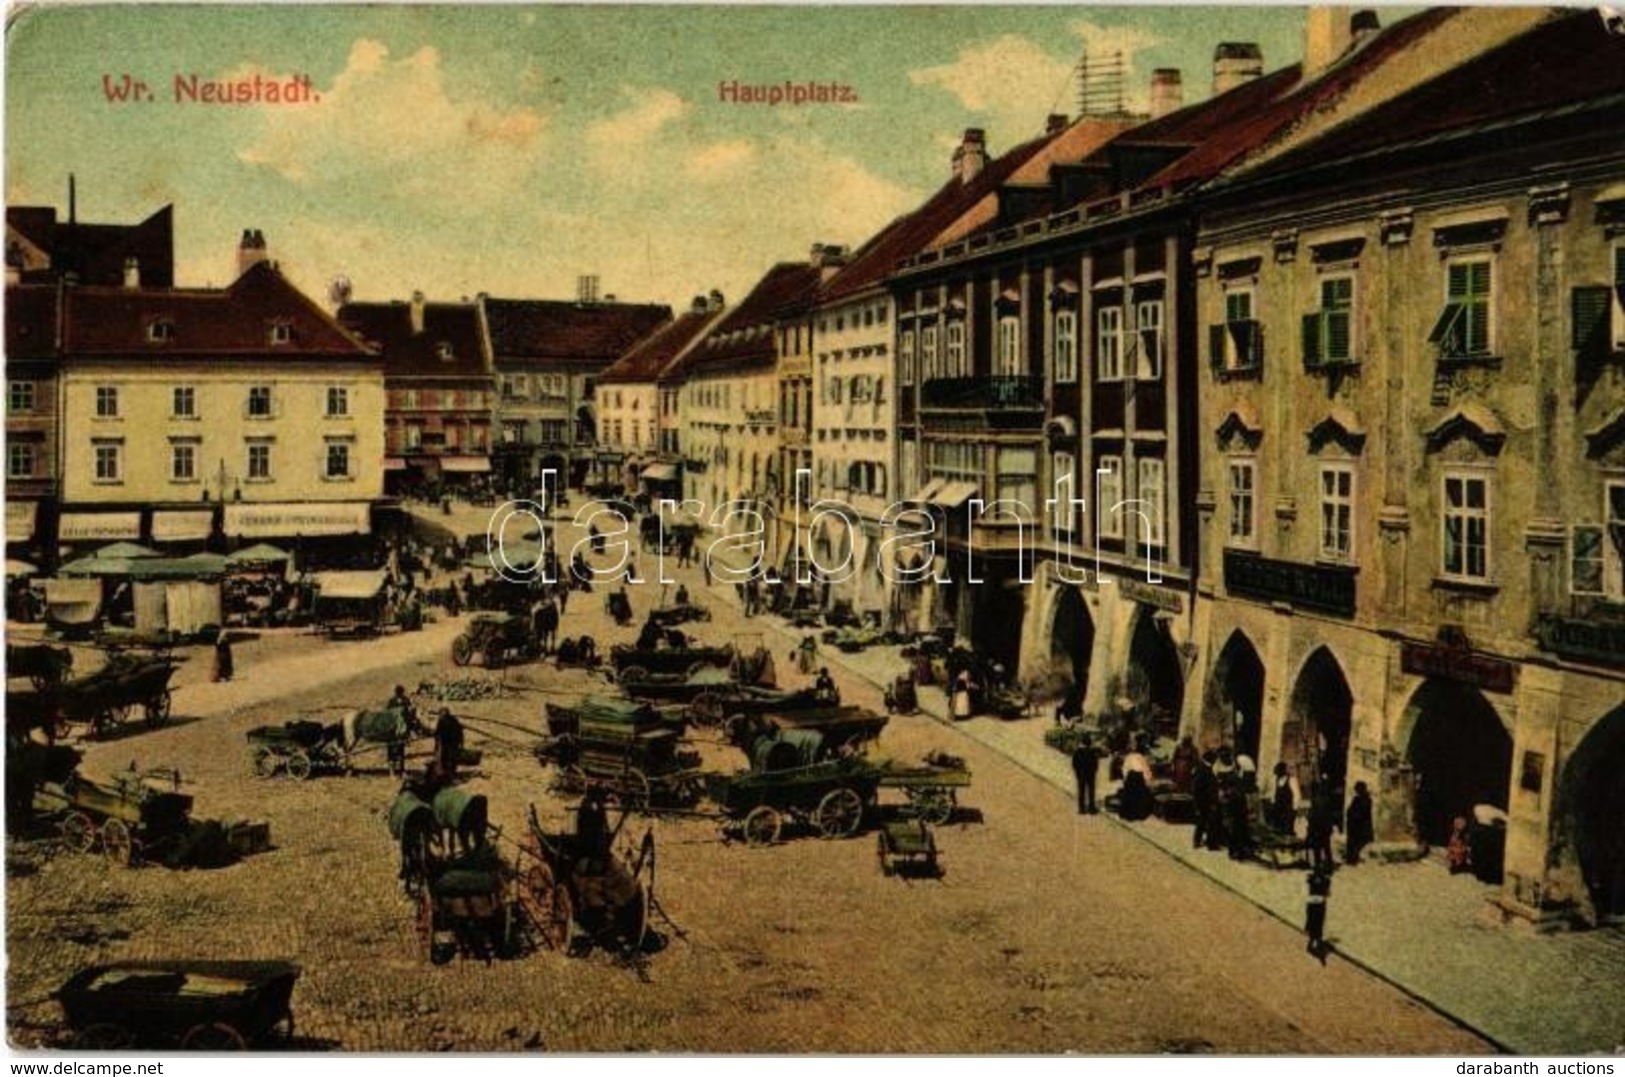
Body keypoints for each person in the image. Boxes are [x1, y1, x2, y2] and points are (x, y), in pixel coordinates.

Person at [1306, 781, 1339, 872]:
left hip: (1318, 826)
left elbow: (1314, 815)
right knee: (1326, 845)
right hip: (1325, 827)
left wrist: (1310, 823)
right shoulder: (1325, 799)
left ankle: (1319, 864)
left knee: (1317, 847)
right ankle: (1329, 863)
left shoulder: (1316, 800)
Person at [1305, 868, 1332, 964]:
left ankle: (1313, 942)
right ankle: (1318, 943)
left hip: (1311, 902)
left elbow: (1308, 881)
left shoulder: (1311, 878)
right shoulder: (1326, 880)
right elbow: (1328, 893)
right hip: (1320, 903)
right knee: (1319, 923)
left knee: (1312, 922)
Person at [1344, 781, 1374, 866]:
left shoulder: (1362, 799)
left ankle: (1353, 858)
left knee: (1356, 842)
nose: (1356, 790)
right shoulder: (1363, 799)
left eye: (1357, 789)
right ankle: (1353, 858)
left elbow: (1358, 812)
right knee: (1356, 843)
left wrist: (1352, 816)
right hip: (1357, 825)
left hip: (1358, 825)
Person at [1071, 734, 1101, 815]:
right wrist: (1094, 772)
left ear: (1082, 743)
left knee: (1081, 791)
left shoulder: (1077, 752)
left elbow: (1074, 764)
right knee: (1091, 791)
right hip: (1091, 775)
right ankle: (1091, 808)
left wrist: (1077, 773)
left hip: (1081, 774)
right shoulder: (1092, 752)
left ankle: (1082, 808)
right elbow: (1096, 764)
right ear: (1089, 743)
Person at [1270, 761, 1300, 836]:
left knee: (1288, 826)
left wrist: (1295, 807)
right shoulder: (1278, 780)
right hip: (1279, 807)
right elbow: (1275, 793)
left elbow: (1296, 795)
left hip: (1288, 807)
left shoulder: (1291, 780)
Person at [433, 708, 465, 779]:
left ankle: (451, 774)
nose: (441, 717)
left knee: (451, 759)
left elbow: (460, 733)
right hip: (444, 743)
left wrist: (461, 743)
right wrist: (436, 744)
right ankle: (444, 773)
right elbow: (438, 733)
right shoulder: (441, 721)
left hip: (452, 743)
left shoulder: (454, 721)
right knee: (443, 759)